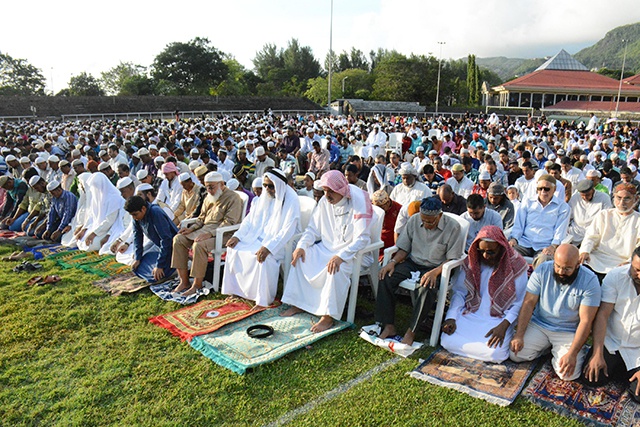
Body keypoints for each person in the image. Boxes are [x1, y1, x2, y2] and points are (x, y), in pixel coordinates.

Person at [280, 170, 373, 333]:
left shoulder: (357, 201)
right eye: (325, 190)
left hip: (355, 253)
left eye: (331, 191)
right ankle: (299, 303)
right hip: (328, 248)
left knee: (335, 268)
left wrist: (341, 256)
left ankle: (328, 317)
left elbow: (362, 238)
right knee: (301, 257)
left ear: (341, 189)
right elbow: (312, 230)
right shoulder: (324, 201)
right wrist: (301, 246)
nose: (327, 195)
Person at [375, 197, 464, 345]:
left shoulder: (453, 227)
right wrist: (392, 262)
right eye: (424, 220)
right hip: (413, 262)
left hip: (437, 267)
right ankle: (388, 326)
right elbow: (403, 248)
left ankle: (412, 331)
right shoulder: (415, 220)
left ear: (440, 216)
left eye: (430, 221)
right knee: (385, 276)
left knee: (427, 287)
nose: (426, 224)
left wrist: (435, 272)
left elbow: (452, 258)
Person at [509, 244, 600, 381]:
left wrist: (572, 353)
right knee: (515, 355)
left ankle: (557, 351)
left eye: (567, 268)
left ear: (577, 264)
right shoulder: (543, 270)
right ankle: (548, 349)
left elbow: (586, 321)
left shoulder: (590, 281)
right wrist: (519, 334)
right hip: (540, 323)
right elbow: (528, 303)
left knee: (568, 374)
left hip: (568, 331)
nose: (561, 271)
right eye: (557, 266)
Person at [441, 226, 528, 363]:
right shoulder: (472, 261)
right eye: (481, 251)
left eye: (491, 252)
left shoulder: (517, 265)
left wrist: (503, 326)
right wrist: (451, 317)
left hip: (499, 319)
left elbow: (520, 302)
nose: (485, 256)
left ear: (501, 248)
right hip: (471, 313)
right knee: (447, 341)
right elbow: (460, 292)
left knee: (496, 354)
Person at [222, 169, 301, 308]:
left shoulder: (291, 200)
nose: (267, 189)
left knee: (264, 258)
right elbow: (249, 221)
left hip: (282, 243)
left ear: (279, 185)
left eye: (271, 186)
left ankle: (262, 300)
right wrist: (237, 236)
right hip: (257, 238)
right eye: (265, 185)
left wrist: (269, 247)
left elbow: (287, 231)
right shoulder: (262, 199)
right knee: (234, 250)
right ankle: (236, 291)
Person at [582, 246, 640, 402]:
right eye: (636, 269)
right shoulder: (616, 276)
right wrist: (597, 354)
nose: (639, 275)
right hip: (611, 342)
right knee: (592, 378)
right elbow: (602, 315)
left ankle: (627, 371)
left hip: (637, 351)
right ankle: (622, 370)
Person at [171, 172, 243, 296]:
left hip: (224, 234)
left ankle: (197, 285)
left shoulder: (233, 198)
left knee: (199, 245)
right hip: (204, 230)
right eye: (207, 187)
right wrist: (191, 229)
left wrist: (210, 234)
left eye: (211, 187)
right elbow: (201, 218)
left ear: (221, 184)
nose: (209, 190)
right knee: (178, 239)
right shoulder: (209, 197)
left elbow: (230, 222)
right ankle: (184, 281)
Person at [579, 183, 640, 279]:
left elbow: (638, 248)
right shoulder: (604, 215)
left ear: (635, 199)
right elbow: (591, 237)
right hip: (597, 259)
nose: (621, 203)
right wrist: (585, 251)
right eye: (619, 198)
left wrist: (629, 261)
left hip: (623, 263)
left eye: (627, 198)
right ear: (613, 197)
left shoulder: (638, 219)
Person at [509, 175, 570, 265]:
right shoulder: (528, 202)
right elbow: (519, 225)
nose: (543, 192)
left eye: (546, 189)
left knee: (544, 261)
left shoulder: (563, 207)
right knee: (506, 253)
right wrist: (514, 238)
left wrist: (553, 246)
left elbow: (560, 231)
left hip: (545, 245)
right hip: (524, 242)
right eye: (540, 189)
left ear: (554, 189)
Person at [124, 195, 178, 283]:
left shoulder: (155, 212)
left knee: (157, 275)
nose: (134, 217)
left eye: (135, 214)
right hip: (157, 245)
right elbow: (137, 237)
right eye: (132, 215)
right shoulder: (136, 218)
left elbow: (166, 239)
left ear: (143, 209)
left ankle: (173, 270)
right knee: (137, 266)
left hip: (172, 247)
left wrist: (160, 265)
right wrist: (137, 258)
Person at [76, 172, 125, 252]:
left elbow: (109, 221)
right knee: (80, 239)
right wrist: (84, 229)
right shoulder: (96, 197)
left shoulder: (114, 197)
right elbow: (91, 216)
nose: (95, 189)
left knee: (92, 244)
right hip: (96, 226)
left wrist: (94, 233)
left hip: (108, 229)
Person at [565, 179, 612, 246]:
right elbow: (568, 216)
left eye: (587, 195)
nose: (585, 197)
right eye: (582, 195)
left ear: (592, 190)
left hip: (595, 233)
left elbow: (607, 218)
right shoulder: (575, 197)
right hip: (576, 232)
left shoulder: (604, 198)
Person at [371, 189, 402, 253]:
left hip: (391, 246)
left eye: (381, 207)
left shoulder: (399, 209)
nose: (379, 210)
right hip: (375, 243)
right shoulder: (372, 209)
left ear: (387, 203)